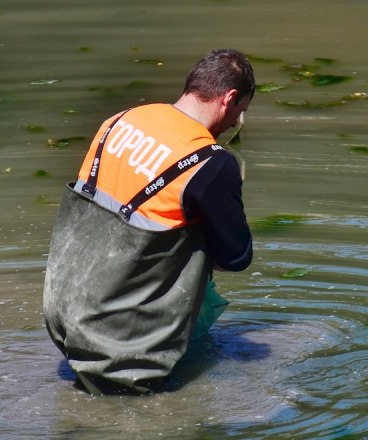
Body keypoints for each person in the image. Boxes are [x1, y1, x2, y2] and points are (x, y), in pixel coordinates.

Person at [43, 49, 255, 395]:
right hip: (122, 344)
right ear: (229, 99)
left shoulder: (121, 119)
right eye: (241, 112)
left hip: (64, 314)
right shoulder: (212, 164)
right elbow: (237, 257)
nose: (235, 124)